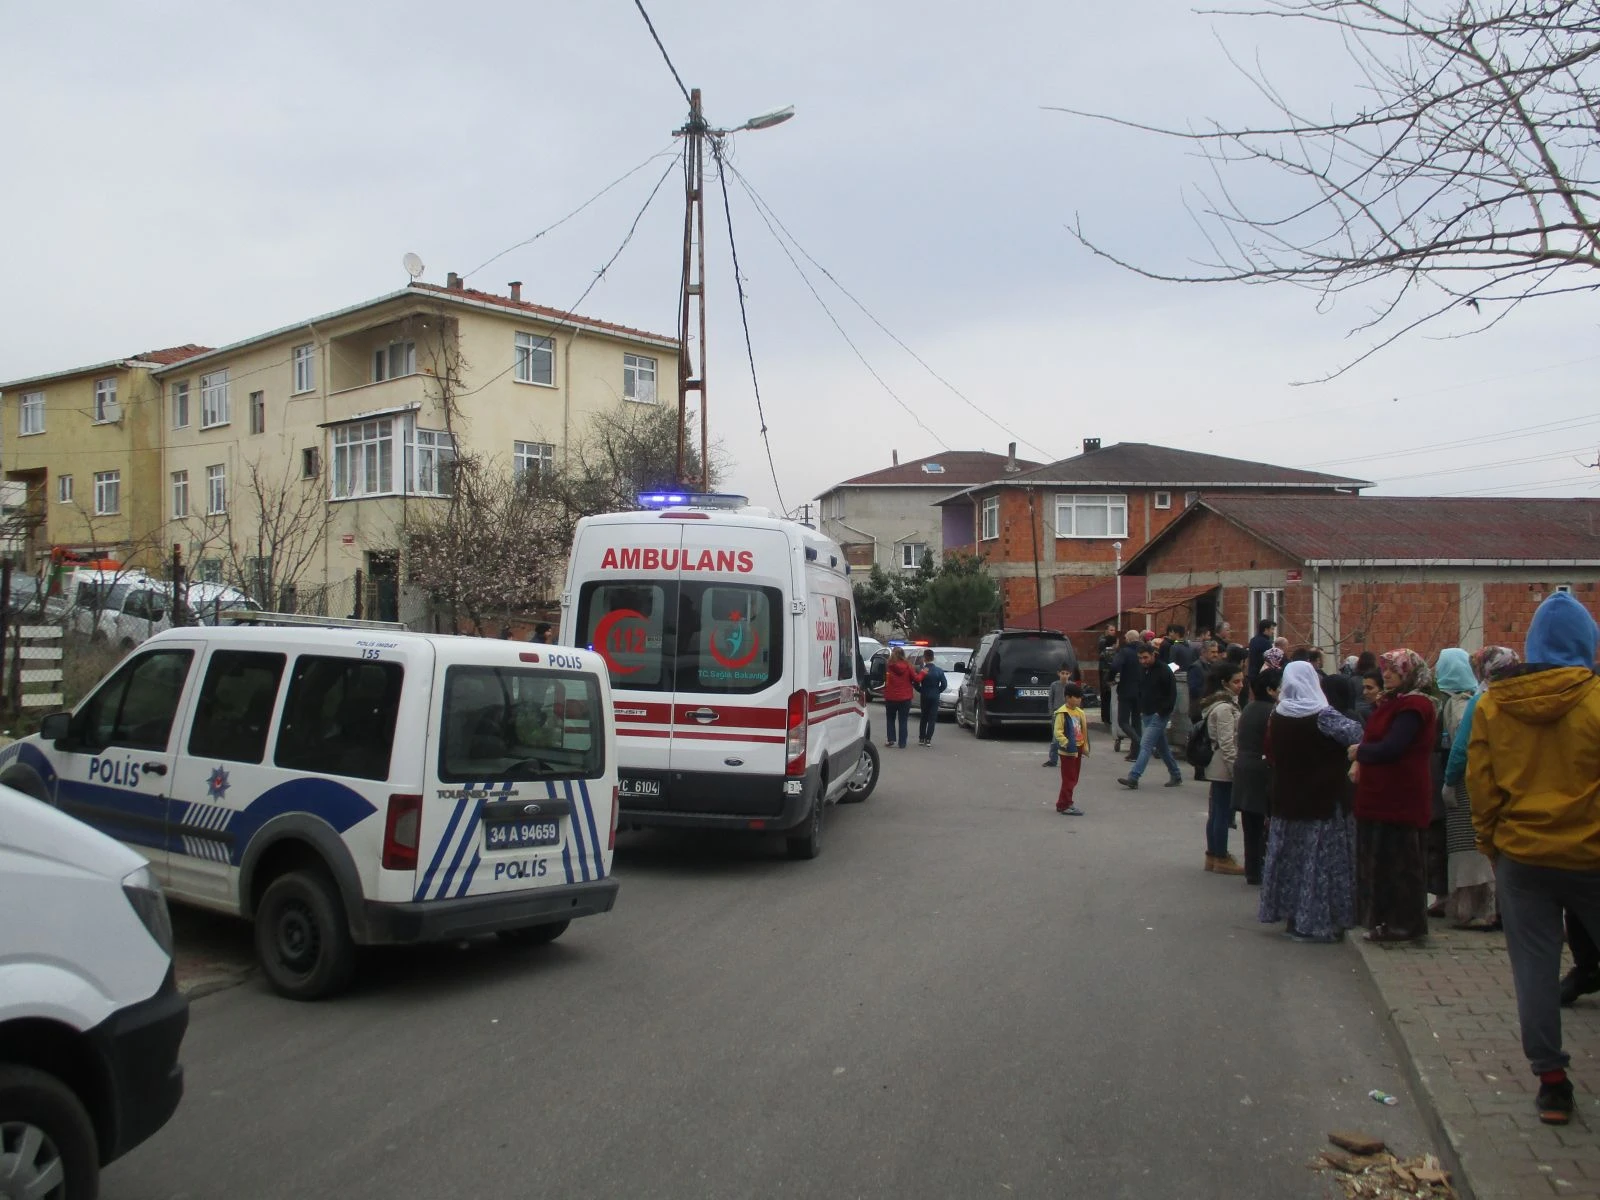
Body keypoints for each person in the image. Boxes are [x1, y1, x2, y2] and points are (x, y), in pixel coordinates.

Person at [1467, 592, 1600, 1126]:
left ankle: (1552, 1085)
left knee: (1534, 972)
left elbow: (1481, 785)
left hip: (1522, 858)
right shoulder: (1595, 700)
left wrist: (1490, 845)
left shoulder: (1494, 705)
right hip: (1592, 855)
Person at [1258, 661, 1364, 942]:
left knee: (1292, 860)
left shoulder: (1278, 714)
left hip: (1287, 798)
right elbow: (1358, 735)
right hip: (1323, 799)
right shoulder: (1323, 716)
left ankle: (1293, 917)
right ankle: (1319, 922)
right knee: (1320, 862)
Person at [1350, 649, 1438, 944]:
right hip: (1382, 797)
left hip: (1399, 798)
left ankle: (1403, 924)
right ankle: (1387, 921)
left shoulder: (1414, 706)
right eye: (1385, 669)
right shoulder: (1394, 702)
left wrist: (1360, 752)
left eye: (1394, 670)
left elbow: (1393, 747)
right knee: (1385, 864)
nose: (1386, 674)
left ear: (1408, 673)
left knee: (1400, 865)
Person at [1436, 647, 1497, 929]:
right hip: (1489, 779)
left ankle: (1472, 909)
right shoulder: (1489, 697)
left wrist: (1450, 780)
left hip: (1465, 781)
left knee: (1466, 845)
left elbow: (1461, 746)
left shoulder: (1464, 703)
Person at [1233, 666, 1281, 885]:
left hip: (1244, 768)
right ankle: (1263, 868)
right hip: (1263, 772)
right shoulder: (1273, 712)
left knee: (1250, 824)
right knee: (1265, 824)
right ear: (1271, 690)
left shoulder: (1249, 708)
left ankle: (1252, 869)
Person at [1117, 641, 1183, 790]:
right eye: (1140, 658)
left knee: (1145, 745)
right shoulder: (1143, 670)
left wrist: (1162, 711)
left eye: (1145, 657)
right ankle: (1176, 774)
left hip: (1159, 715)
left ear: (1154, 655)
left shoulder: (1164, 670)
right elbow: (1141, 690)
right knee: (1162, 747)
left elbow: (1172, 695)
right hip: (1147, 713)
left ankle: (1134, 777)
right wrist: (1141, 708)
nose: (1143, 661)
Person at [1200, 662, 1245, 874]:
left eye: (1242, 681)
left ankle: (1213, 854)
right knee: (1222, 813)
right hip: (1223, 766)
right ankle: (1220, 856)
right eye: (1236, 682)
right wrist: (1235, 769)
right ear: (1224, 683)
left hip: (1217, 764)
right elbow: (1227, 743)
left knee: (1216, 811)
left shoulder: (1219, 704)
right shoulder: (1225, 708)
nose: (1241, 685)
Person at [1052, 682, 1090, 815]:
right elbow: (1058, 732)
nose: (1079, 700)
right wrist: (1066, 743)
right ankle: (1066, 804)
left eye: (1080, 697)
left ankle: (1062, 803)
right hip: (1067, 750)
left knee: (1074, 777)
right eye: (1076, 697)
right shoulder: (1062, 713)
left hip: (1078, 748)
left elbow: (1083, 731)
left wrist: (1084, 747)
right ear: (1068, 697)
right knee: (1069, 778)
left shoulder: (1080, 713)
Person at [1110, 630, 1143, 755]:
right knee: (1136, 721)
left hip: (1126, 690)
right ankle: (1135, 753)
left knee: (1123, 721)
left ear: (1128, 639)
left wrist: (1110, 679)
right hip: (1141, 690)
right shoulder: (1144, 651)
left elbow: (1114, 666)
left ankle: (1138, 742)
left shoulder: (1125, 652)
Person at [881, 646, 916, 749]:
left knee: (890, 719)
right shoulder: (908, 666)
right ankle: (902, 743)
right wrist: (923, 673)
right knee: (903, 720)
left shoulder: (889, 666)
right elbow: (916, 678)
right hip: (905, 698)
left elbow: (884, 679)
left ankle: (891, 739)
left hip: (891, 697)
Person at [1042, 663, 1075, 767]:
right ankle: (1053, 760)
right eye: (1062, 673)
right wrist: (1051, 712)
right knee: (1056, 738)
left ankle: (1071, 759)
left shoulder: (1072, 686)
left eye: (1066, 673)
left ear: (1070, 674)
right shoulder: (1054, 685)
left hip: (1069, 714)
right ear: (1058, 673)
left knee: (1070, 736)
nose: (1064, 675)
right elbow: (1050, 700)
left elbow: (1076, 700)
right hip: (1057, 714)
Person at [915, 649, 946, 747]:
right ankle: (928, 739)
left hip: (925, 694)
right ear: (933, 658)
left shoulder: (922, 670)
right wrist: (938, 691)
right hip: (935, 695)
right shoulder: (939, 671)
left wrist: (921, 690)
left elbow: (916, 683)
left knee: (924, 717)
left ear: (924, 658)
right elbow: (944, 684)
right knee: (932, 718)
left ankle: (921, 738)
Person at [1096, 623, 1119, 730]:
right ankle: (1106, 717)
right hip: (1105, 671)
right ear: (1106, 631)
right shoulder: (1104, 642)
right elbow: (1108, 657)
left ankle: (1106, 717)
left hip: (1106, 671)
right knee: (1106, 694)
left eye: (1114, 630)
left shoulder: (1109, 641)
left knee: (1108, 695)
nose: (1113, 632)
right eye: (1111, 630)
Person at [1247, 618, 1277, 683]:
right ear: (1266, 629)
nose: (1273, 632)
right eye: (1272, 629)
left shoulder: (1253, 640)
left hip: (1252, 673)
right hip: (1261, 676)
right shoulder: (1266, 642)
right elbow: (1270, 661)